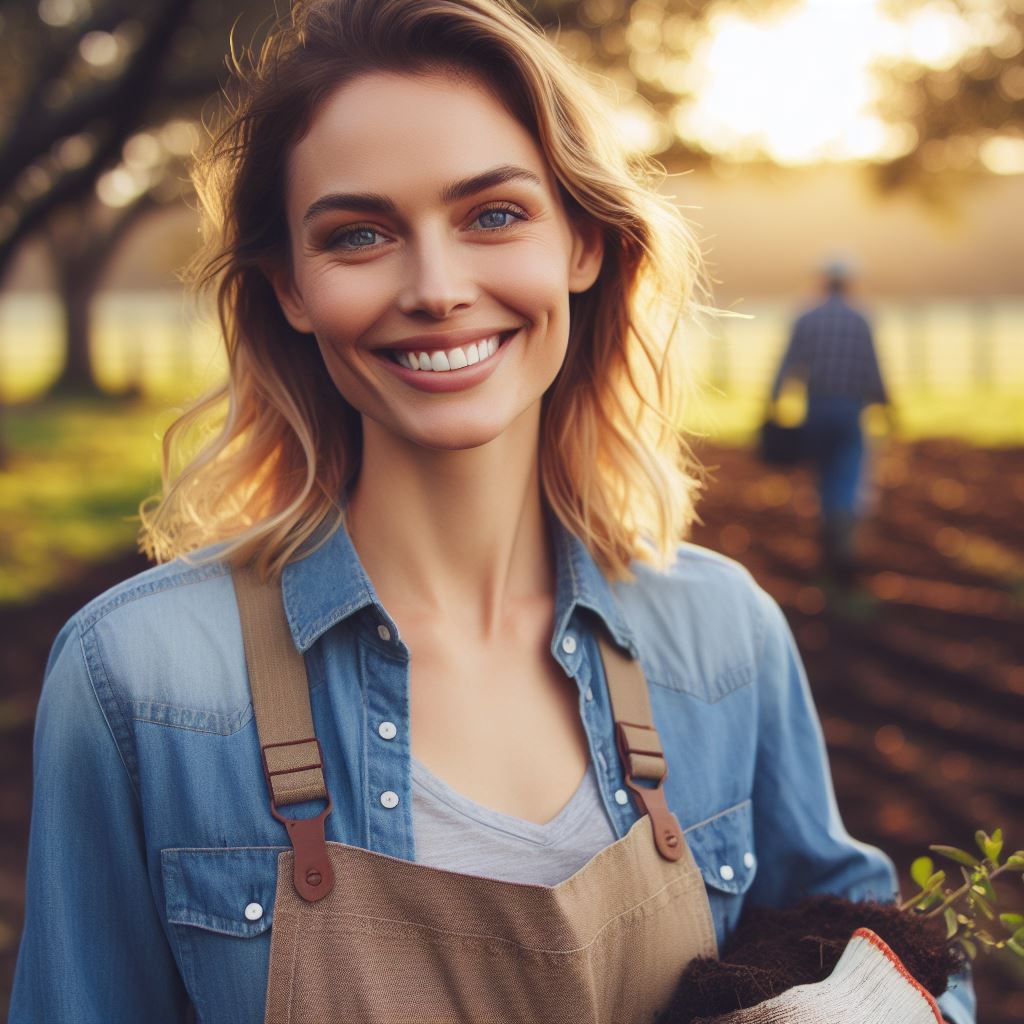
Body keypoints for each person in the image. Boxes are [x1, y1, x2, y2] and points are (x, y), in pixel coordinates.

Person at [11, 2, 972, 1022]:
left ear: (584, 244)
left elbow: (904, 969)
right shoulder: (139, 680)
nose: (436, 288)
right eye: (360, 234)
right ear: (290, 286)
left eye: (493, 215)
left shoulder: (721, 639)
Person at [771, 259, 893, 585]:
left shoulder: (806, 316)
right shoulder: (861, 318)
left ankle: (827, 542)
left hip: (817, 407)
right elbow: (873, 366)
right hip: (851, 410)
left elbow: (788, 362)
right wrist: (886, 403)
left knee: (824, 476)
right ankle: (844, 547)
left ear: (823, 281)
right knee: (849, 476)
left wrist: (773, 399)